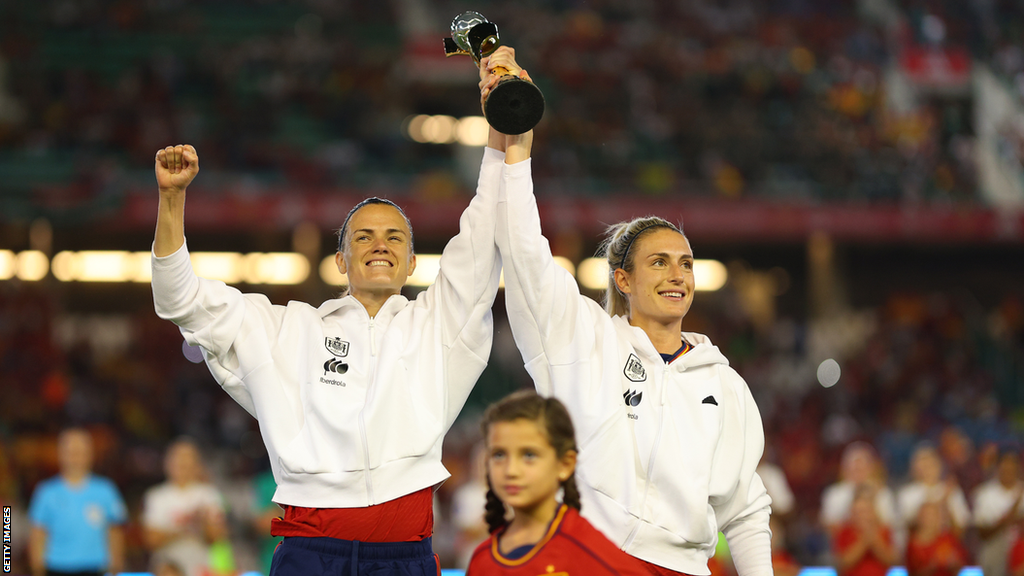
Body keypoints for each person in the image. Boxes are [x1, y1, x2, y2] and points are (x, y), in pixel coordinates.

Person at [151, 129, 502, 573]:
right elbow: (177, 299)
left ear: (413, 262)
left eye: (395, 238)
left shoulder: (438, 326)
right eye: (363, 237)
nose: (380, 244)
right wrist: (171, 199)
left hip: (403, 556)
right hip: (311, 555)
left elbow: (484, 232)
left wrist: (500, 133)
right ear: (341, 261)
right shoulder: (285, 328)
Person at [485, 47, 773, 576]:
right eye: (658, 263)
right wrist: (515, 145)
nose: (677, 275)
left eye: (685, 264)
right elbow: (524, 253)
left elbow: (746, 508)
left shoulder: (724, 383)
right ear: (624, 279)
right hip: (586, 559)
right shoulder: (581, 341)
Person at [466, 390, 648, 575]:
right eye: (499, 455)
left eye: (529, 455)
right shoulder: (481, 560)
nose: (510, 470)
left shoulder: (590, 553)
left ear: (565, 464)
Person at [27, 428, 126, 576]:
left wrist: (116, 567)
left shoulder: (106, 490)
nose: (75, 457)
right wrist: (37, 567)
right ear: (60, 454)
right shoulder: (46, 492)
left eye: (80, 452)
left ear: (91, 454)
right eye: (70, 452)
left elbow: (115, 531)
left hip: (96, 567)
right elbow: (38, 534)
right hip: (56, 567)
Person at [142, 438, 229, 576]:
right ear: (167, 463)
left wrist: (203, 521)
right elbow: (151, 539)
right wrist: (185, 527)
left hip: (200, 568)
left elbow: (217, 537)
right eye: (178, 458)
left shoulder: (209, 494)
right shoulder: (156, 496)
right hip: (166, 569)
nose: (182, 463)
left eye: (187, 458)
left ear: (197, 464)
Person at [820, 442, 898, 534]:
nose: (857, 467)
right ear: (845, 468)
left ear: (871, 468)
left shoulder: (884, 493)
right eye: (854, 464)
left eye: (862, 464)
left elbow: (889, 524)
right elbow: (828, 523)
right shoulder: (834, 493)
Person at [897, 443, 971, 536]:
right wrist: (942, 501)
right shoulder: (907, 494)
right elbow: (908, 525)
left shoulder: (951, 489)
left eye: (931, 463)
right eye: (923, 464)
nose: (928, 468)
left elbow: (962, 524)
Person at [973, 450, 1024, 576]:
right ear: (997, 468)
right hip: (994, 552)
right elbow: (982, 533)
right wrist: (1007, 519)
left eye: (1012, 467)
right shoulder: (984, 493)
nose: (1008, 471)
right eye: (1005, 467)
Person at [832, 485, 898, 576]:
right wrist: (864, 541)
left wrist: (875, 541)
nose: (861, 516)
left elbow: (891, 560)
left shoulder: (884, 530)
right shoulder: (844, 531)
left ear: (873, 512)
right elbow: (843, 563)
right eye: (857, 512)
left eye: (865, 511)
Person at [904, 501, 967, 576]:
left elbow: (961, 565)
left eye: (932, 515)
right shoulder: (912, 544)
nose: (928, 519)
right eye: (925, 515)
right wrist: (932, 566)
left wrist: (953, 563)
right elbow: (912, 572)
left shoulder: (947, 538)